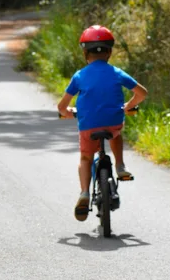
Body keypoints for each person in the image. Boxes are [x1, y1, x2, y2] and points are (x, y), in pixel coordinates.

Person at [57, 25, 148, 221]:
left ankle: (84, 193)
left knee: (85, 158)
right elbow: (142, 93)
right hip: (113, 122)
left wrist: (67, 113)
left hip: (88, 126)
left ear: (84, 53)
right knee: (116, 133)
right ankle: (120, 166)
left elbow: (62, 106)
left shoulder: (79, 75)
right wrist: (128, 106)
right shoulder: (116, 72)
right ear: (110, 51)